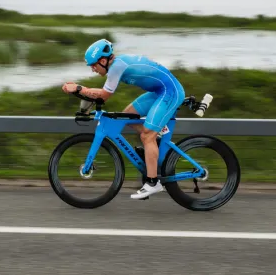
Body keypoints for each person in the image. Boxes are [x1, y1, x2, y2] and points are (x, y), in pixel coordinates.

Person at [61, 38, 186, 200]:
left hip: (170, 92)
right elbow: (99, 94)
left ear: (104, 60)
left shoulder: (117, 67)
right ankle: (157, 146)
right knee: (128, 117)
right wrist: (81, 90)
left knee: (147, 135)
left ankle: (153, 182)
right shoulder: (116, 64)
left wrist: (79, 88)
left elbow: (104, 96)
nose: (93, 69)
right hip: (158, 91)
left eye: (94, 65)